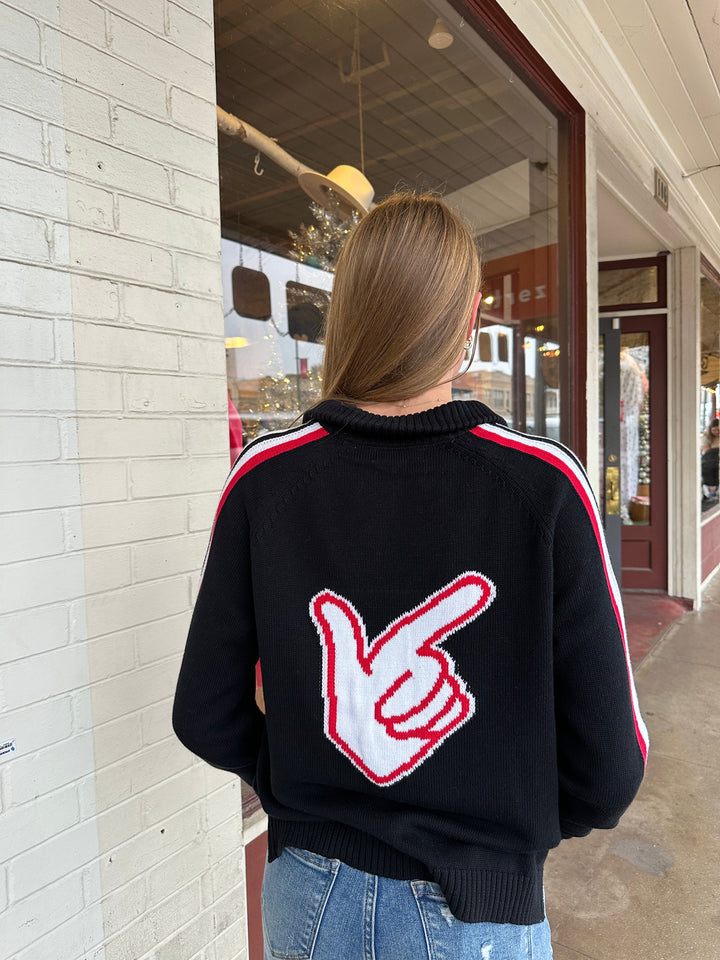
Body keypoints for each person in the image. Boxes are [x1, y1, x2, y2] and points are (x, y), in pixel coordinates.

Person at [173, 193, 648, 960]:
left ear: (347, 314)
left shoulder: (265, 479)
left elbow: (203, 713)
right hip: (479, 910)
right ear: (468, 323)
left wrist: (304, 778)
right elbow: (611, 769)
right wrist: (503, 827)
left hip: (306, 895)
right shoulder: (545, 487)